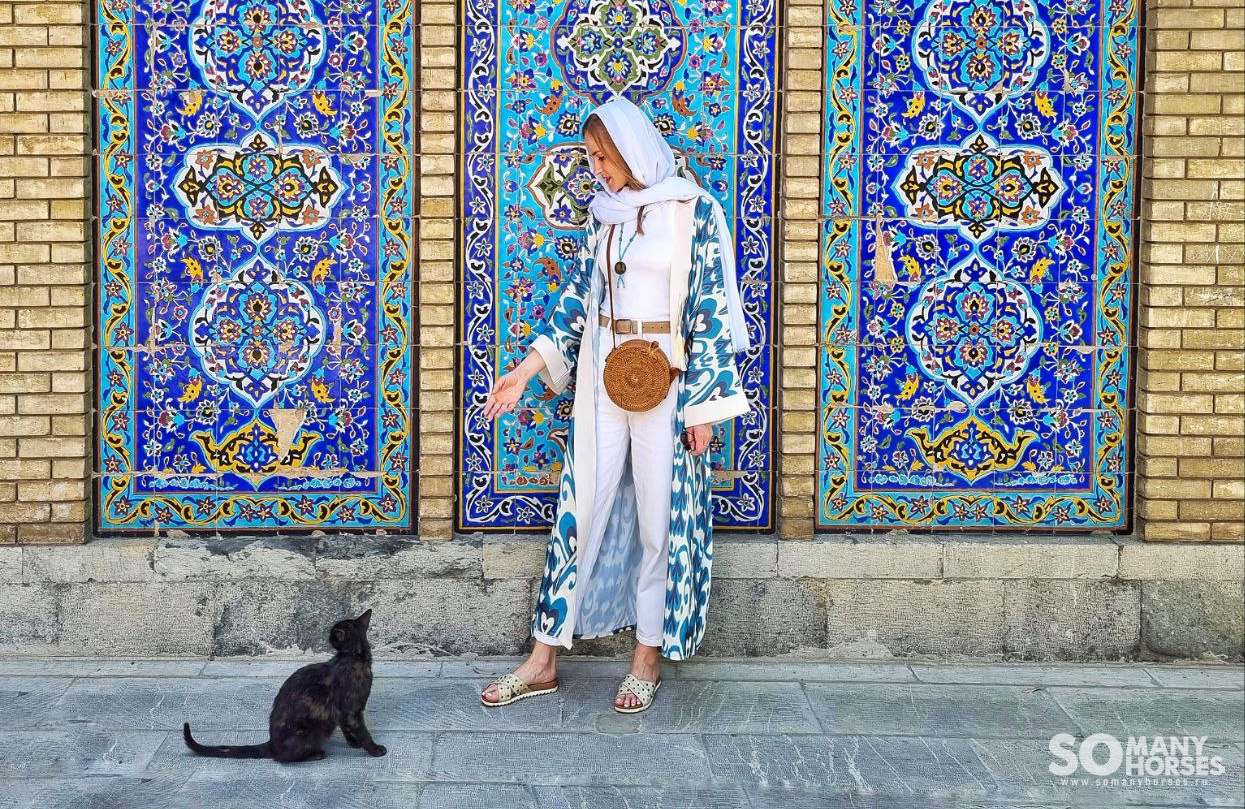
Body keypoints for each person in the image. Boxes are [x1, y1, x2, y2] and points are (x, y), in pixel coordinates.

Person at [479, 94, 750, 713]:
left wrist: (704, 409)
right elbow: (578, 301)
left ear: (631, 150)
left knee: (659, 518)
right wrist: (524, 372)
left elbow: (709, 309)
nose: (596, 169)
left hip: (668, 380)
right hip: (604, 373)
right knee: (580, 507)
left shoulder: (693, 211)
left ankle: (646, 657)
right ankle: (543, 658)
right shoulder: (603, 217)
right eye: (592, 158)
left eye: (603, 157)